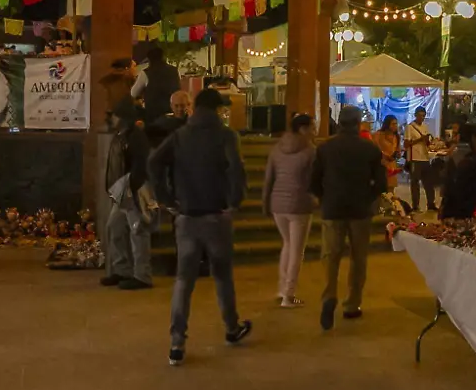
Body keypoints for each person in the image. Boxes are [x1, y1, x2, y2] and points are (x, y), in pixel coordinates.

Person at [148, 87, 252, 366]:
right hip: (217, 215)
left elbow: (154, 161)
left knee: (184, 280)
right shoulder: (226, 135)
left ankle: (177, 342)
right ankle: (231, 328)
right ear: (217, 109)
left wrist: (166, 199)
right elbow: (236, 169)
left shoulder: (180, 136)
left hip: (186, 216)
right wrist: (235, 201)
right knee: (222, 276)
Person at [309, 104, 385, 330]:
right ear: (358, 123)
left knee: (330, 256)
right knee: (358, 258)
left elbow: (313, 180)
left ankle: (329, 295)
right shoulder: (370, 149)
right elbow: (380, 183)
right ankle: (352, 304)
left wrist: (324, 197)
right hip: (360, 210)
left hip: (333, 208)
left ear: (339, 122)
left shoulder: (325, 148)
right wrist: (368, 196)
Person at [260, 113, 317, 307]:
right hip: (299, 204)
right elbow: (313, 180)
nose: (314, 130)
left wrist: (265, 202)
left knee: (287, 244)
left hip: (277, 203)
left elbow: (269, 178)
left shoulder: (277, 148)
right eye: (311, 126)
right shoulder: (310, 151)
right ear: (302, 129)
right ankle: (289, 295)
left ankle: (282, 288)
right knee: (296, 250)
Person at [100, 96, 154, 291]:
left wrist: (132, 187)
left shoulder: (134, 136)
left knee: (138, 232)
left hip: (133, 190)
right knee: (114, 227)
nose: (111, 118)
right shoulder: (123, 134)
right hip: (124, 189)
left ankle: (142, 276)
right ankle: (122, 270)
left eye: (113, 115)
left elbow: (140, 164)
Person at [438, 122, 476, 220]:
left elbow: (447, 186)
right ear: (473, 138)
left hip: (451, 211)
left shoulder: (454, 156)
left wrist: (443, 206)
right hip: (472, 212)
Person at [131, 43, 181, 124]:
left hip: (153, 116)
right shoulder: (174, 70)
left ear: (149, 59)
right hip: (173, 114)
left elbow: (133, 93)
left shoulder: (146, 73)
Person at [403, 107, 436, 212]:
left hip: (425, 157)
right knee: (415, 183)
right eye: (420, 115)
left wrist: (428, 141)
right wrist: (420, 139)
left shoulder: (425, 127)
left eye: (423, 116)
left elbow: (426, 143)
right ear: (415, 115)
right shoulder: (410, 127)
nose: (422, 118)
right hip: (415, 158)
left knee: (429, 182)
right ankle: (415, 205)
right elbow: (406, 144)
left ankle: (431, 203)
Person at [371, 116, 403, 202]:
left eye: (396, 124)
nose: (395, 126)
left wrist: (397, 153)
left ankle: (390, 207)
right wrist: (384, 154)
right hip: (381, 163)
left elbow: (398, 151)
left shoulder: (396, 137)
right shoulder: (379, 135)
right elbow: (373, 148)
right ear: (387, 124)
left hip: (391, 164)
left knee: (391, 188)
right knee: (381, 188)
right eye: (393, 124)